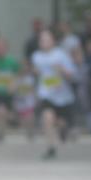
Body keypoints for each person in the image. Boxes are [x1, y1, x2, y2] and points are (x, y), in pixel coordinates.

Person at [32, 29, 76, 159]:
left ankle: (63, 129)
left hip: (62, 96)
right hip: (46, 94)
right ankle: (50, 147)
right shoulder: (36, 56)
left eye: (46, 39)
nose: (44, 42)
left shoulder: (61, 55)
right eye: (41, 40)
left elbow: (71, 74)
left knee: (61, 122)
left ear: (52, 41)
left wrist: (62, 70)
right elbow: (38, 75)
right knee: (47, 118)